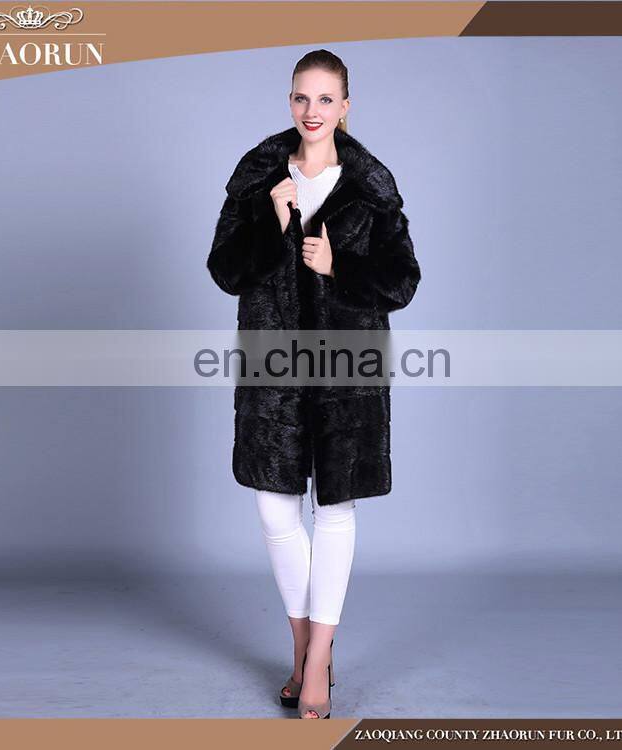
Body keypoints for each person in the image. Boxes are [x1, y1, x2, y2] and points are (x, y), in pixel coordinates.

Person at [207, 49, 421, 718]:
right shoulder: (258, 180)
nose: (312, 110)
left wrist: (340, 265)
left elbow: (403, 281)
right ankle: (305, 648)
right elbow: (225, 271)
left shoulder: (372, 188)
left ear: (345, 107)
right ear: (290, 102)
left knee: (334, 507)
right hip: (273, 363)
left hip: (346, 369)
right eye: (302, 97)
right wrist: (273, 226)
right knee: (275, 508)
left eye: (326, 99)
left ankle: (317, 658)